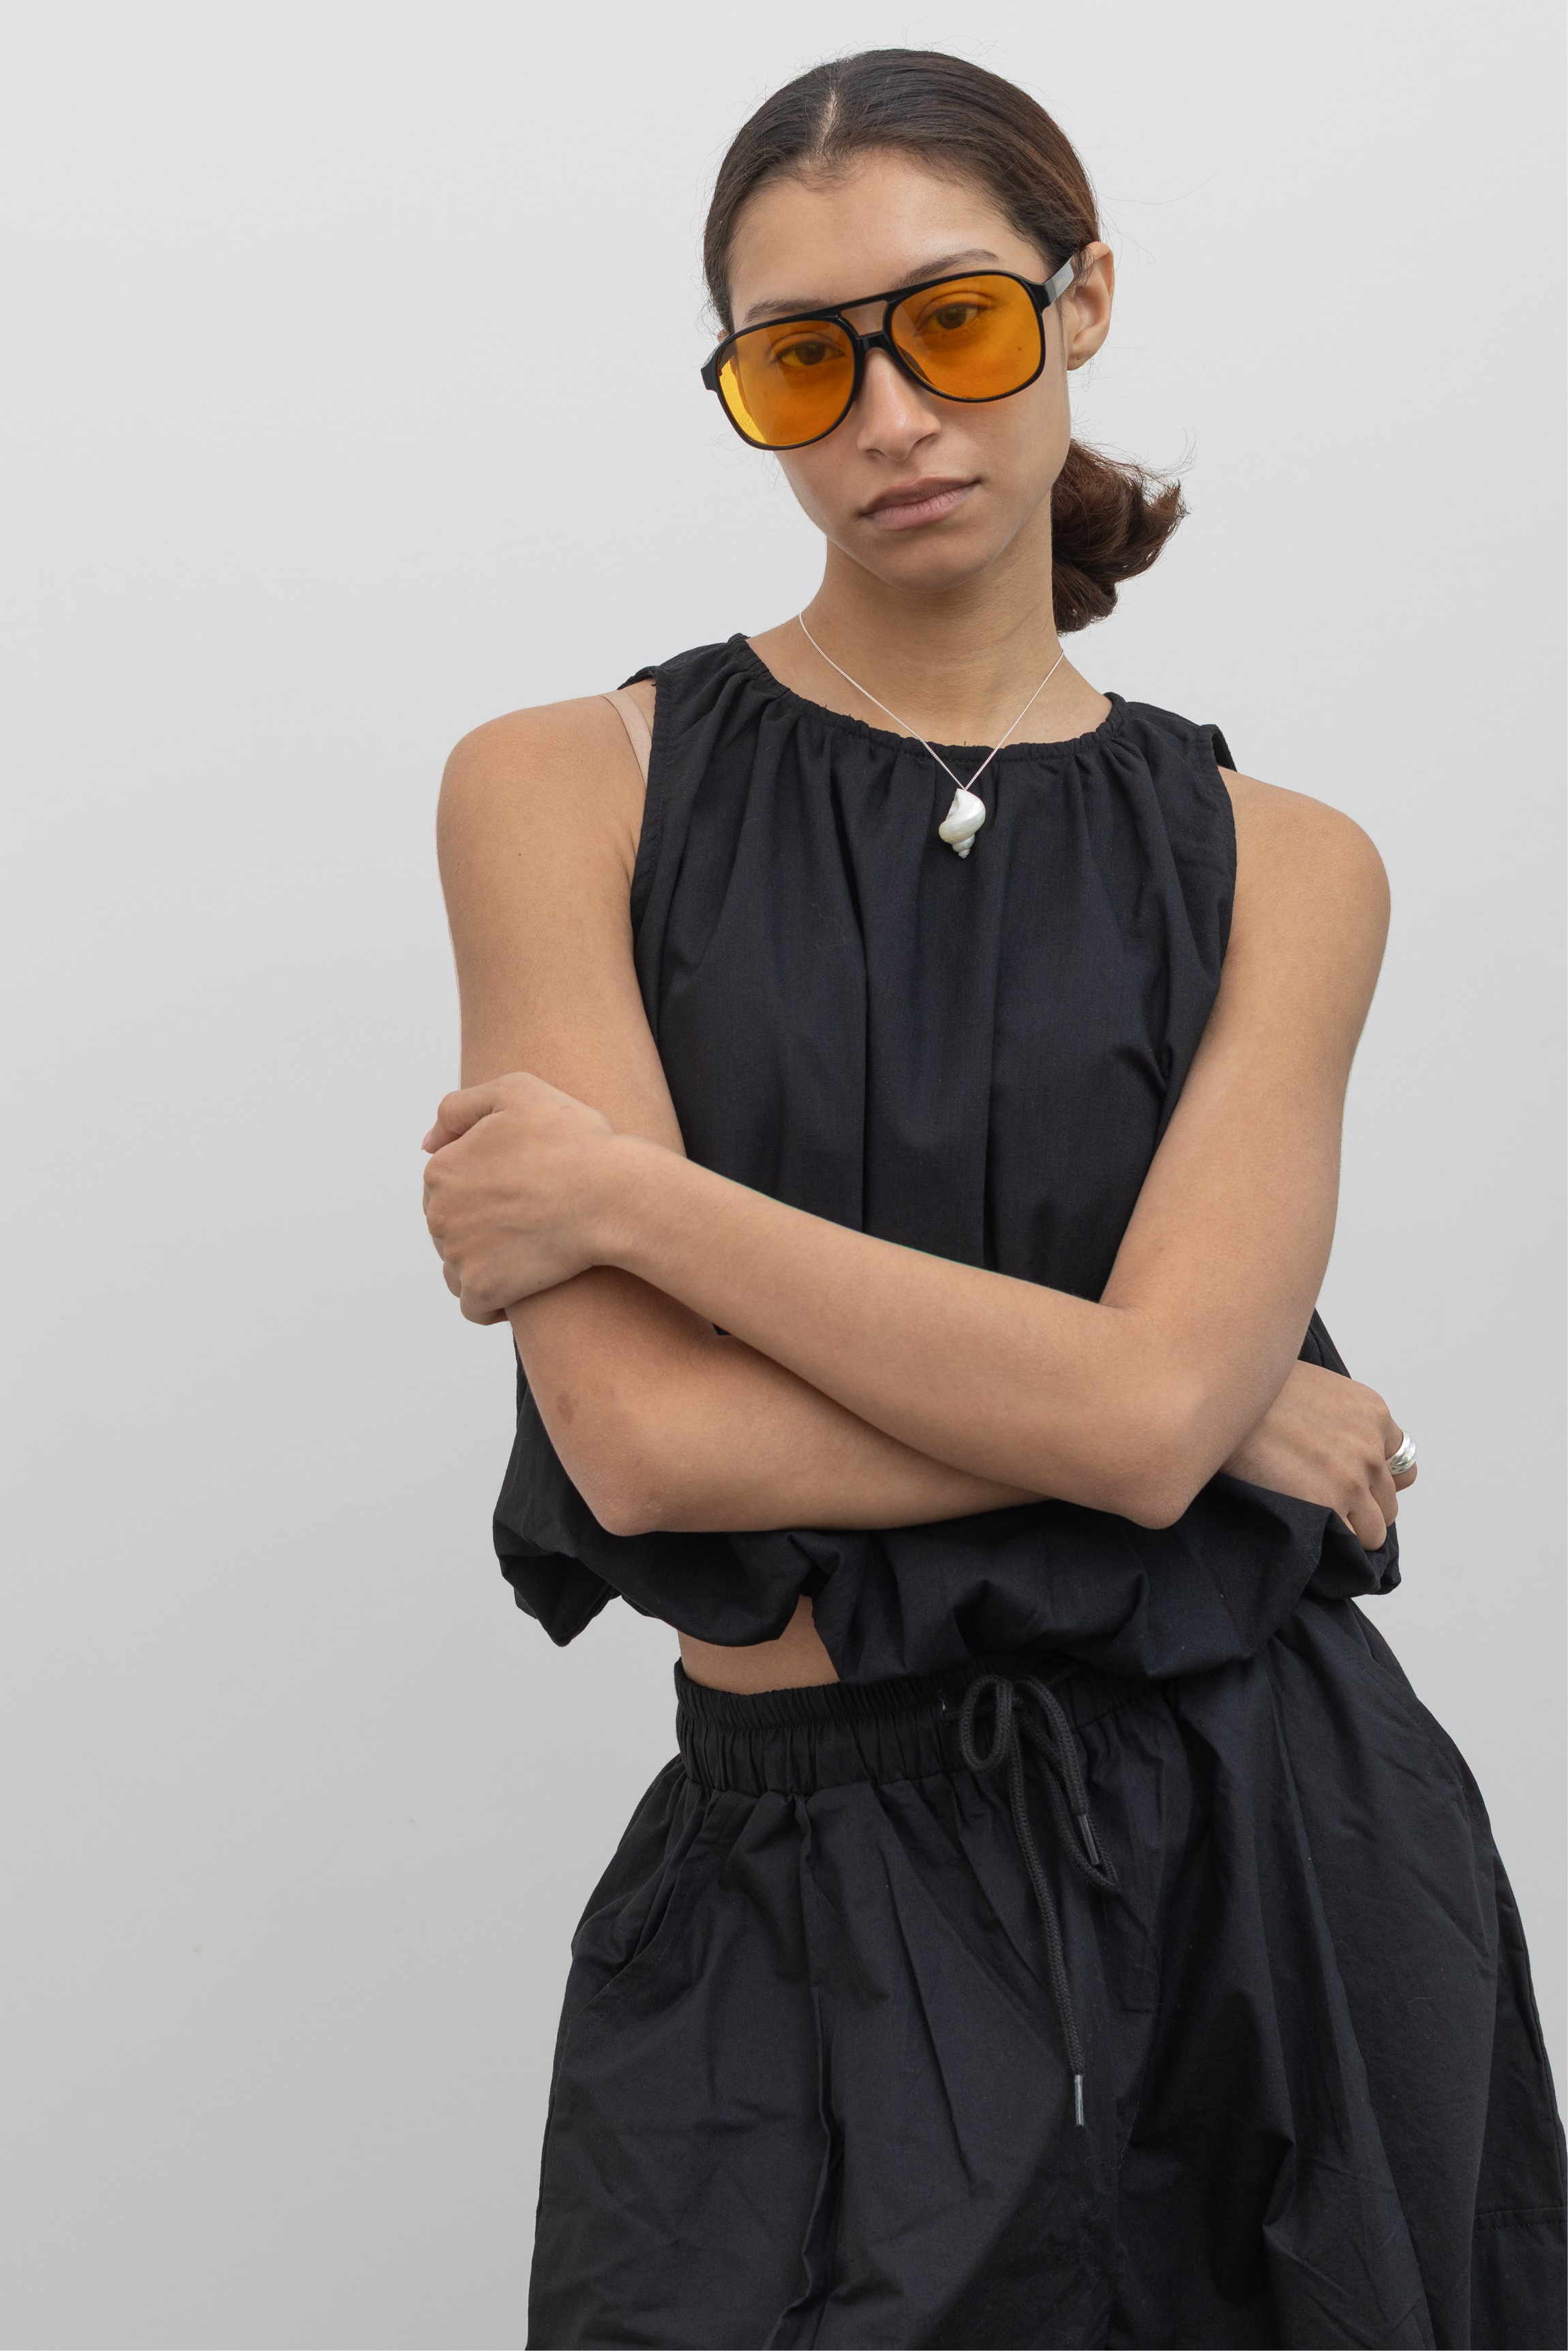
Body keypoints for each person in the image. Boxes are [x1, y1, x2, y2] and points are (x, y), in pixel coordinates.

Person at [421, 47, 1567, 2348]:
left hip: (1274, 1862)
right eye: (800, 361)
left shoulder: (1283, 865)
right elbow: (650, 1448)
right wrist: (1211, 1420)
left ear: (1082, 302)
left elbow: (1139, 1424)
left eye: (951, 323)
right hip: (803, 1879)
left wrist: (630, 1204)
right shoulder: (562, 788)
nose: (888, 416)